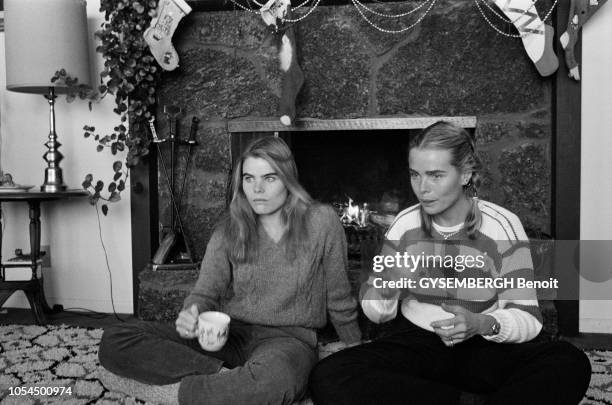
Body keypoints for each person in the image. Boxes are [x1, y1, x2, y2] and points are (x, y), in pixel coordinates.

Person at [309, 121, 591, 405]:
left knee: (569, 363)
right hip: (418, 343)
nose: (422, 188)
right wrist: (389, 283)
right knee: (330, 376)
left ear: (465, 174)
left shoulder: (501, 225)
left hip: (483, 346)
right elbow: (376, 313)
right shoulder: (403, 225)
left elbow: (528, 319)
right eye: (415, 175)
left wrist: (481, 323)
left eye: (435, 176)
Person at [98, 136, 361, 405]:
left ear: (288, 179)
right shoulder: (230, 227)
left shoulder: (321, 221)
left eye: (269, 178)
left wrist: (353, 345)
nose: (257, 188)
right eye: (249, 178)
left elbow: (339, 295)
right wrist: (192, 313)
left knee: (277, 380)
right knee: (115, 340)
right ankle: (225, 379)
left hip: (289, 340)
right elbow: (205, 292)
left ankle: (178, 392)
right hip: (229, 335)